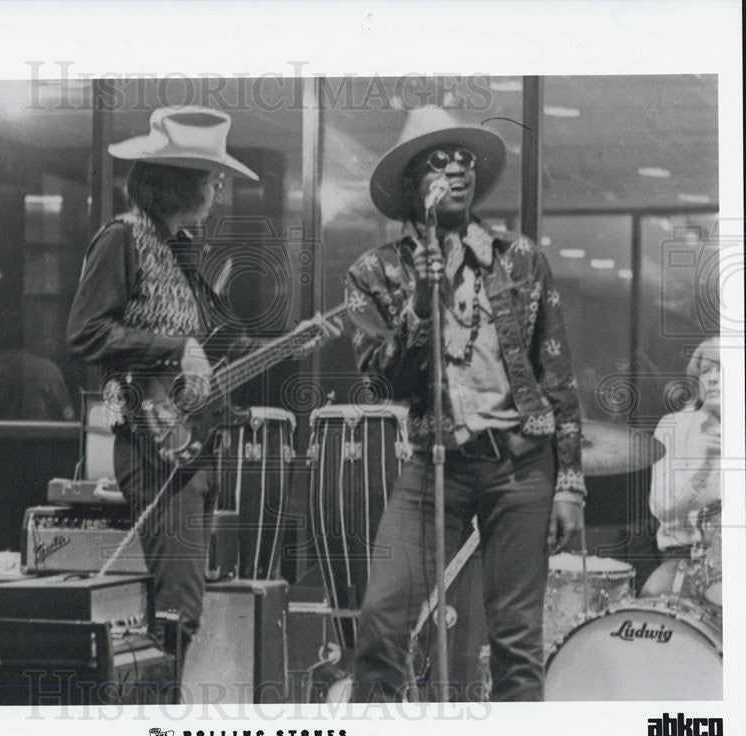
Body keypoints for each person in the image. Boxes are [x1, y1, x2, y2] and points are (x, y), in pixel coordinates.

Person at [67, 106, 336, 654]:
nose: (217, 189)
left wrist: (290, 344)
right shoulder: (120, 239)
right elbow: (85, 333)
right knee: (178, 609)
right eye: (211, 179)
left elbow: (218, 349)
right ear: (177, 183)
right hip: (151, 445)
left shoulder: (182, 249)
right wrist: (174, 347)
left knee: (182, 602)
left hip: (192, 448)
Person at [345, 106, 585, 702]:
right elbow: (384, 381)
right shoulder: (374, 271)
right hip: (434, 466)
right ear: (411, 186)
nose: (456, 168)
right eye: (438, 160)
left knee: (515, 642)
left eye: (465, 159)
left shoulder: (521, 258)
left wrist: (570, 481)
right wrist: (419, 304)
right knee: (381, 623)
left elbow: (556, 370)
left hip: (523, 466)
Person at [641, 338, 721, 599]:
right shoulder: (673, 426)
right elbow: (662, 507)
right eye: (705, 370)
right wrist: (703, 465)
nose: (711, 378)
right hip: (685, 558)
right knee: (654, 594)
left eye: (722, 369)